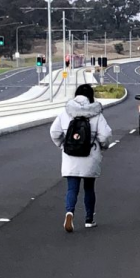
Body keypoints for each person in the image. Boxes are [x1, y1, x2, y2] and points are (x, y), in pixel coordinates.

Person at [50, 84, 112, 233]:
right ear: (91, 96)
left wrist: (62, 145)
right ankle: (89, 219)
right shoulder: (96, 113)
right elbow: (105, 135)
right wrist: (102, 146)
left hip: (71, 155)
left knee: (72, 188)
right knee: (89, 188)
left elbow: (54, 132)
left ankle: (69, 212)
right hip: (90, 155)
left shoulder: (66, 112)